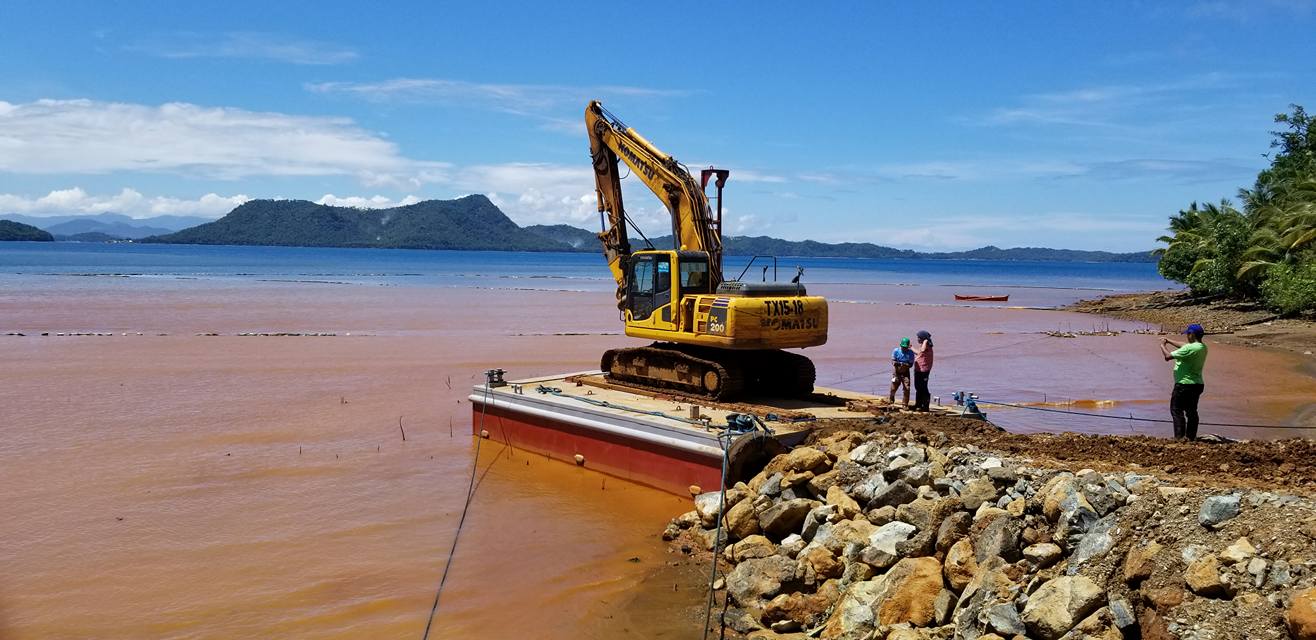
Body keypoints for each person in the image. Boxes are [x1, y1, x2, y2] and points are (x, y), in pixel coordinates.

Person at [1160, 323, 1208, 441]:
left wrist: (1162, 345)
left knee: (1176, 410)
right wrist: (1169, 340)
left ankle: (1179, 437)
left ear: (1192, 334)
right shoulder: (1202, 347)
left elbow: (1167, 356)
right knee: (1191, 411)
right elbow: (1184, 345)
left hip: (1184, 384)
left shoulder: (1189, 348)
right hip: (1197, 384)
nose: (1187, 336)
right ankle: (1191, 437)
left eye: (1188, 334)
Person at [912, 330, 934, 412]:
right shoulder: (922, 345)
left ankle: (925, 406)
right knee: (917, 387)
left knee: (923, 387)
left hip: (924, 370)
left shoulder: (927, 344)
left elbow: (923, 350)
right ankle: (918, 404)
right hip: (918, 369)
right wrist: (911, 348)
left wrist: (925, 340)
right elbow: (919, 353)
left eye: (919, 337)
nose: (917, 339)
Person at [889, 337, 915, 407]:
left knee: (907, 388)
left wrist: (905, 364)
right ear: (900, 345)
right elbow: (893, 360)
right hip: (896, 372)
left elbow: (911, 364)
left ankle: (905, 404)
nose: (904, 348)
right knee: (893, 387)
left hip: (906, 373)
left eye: (906, 347)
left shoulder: (910, 353)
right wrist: (895, 363)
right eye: (903, 347)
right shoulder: (896, 351)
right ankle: (891, 399)